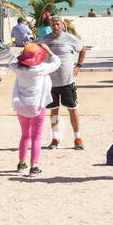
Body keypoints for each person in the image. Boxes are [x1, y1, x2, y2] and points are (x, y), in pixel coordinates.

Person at [10, 42, 60, 177]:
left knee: (25, 135)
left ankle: (21, 163)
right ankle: (34, 167)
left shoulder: (18, 68)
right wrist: (48, 50)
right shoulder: (41, 68)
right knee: (36, 138)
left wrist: (23, 52)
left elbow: (12, 61)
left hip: (21, 106)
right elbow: (57, 62)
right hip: (36, 107)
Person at [39, 16, 86, 150]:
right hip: (51, 83)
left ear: (62, 25)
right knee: (54, 111)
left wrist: (79, 66)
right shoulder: (44, 40)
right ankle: (55, 138)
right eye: (53, 25)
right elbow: (38, 55)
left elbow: (83, 49)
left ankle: (77, 138)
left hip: (67, 82)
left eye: (57, 24)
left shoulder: (70, 38)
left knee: (72, 109)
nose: (55, 27)